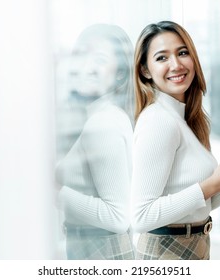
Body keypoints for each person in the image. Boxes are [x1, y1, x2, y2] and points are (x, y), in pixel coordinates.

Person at [130, 20, 220, 260]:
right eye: (162, 58)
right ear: (145, 70)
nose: (176, 64)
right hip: (166, 254)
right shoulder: (159, 120)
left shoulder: (186, 119)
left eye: (183, 53)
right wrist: (214, 183)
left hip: (195, 245)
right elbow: (141, 216)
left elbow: (200, 206)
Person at [55, 24, 135, 260]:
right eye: (81, 55)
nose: (86, 66)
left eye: (99, 59)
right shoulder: (104, 116)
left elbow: (118, 217)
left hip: (101, 254)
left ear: (120, 73)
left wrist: (52, 192)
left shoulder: (103, 123)